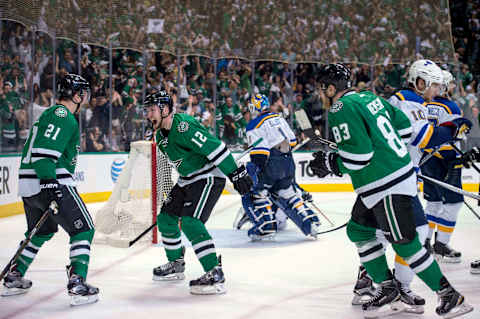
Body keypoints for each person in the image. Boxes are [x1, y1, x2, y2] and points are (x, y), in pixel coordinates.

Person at [308, 63, 473, 318]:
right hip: (390, 178)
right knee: (359, 229)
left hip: (386, 183)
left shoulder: (341, 108)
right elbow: (405, 129)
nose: (321, 95)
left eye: (322, 89)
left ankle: (449, 296)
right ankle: (388, 288)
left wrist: (331, 163)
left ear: (331, 89)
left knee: (405, 242)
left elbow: (359, 157)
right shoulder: (369, 97)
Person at [2, 74, 99, 306]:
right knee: (84, 229)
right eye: (83, 92)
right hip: (50, 181)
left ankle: (15, 274)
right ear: (76, 94)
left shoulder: (51, 114)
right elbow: (44, 154)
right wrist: (49, 184)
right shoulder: (63, 115)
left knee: (41, 231)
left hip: (29, 186)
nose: (85, 97)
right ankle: (77, 282)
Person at [143, 90, 252, 295]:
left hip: (208, 177)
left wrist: (236, 173)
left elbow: (216, 148)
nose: (149, 114)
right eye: (147, 110)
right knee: (166, 219)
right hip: (187, 180)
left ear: (165, 109)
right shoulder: (160, 135)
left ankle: (214, 271)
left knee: (191, 222)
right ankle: (176, 263)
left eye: (152, 109)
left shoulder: (184, 126)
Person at [238, 94, 320, 240]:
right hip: (288, 161)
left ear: (255, 107)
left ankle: (266, 226)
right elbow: (293, 141)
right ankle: (309, 222)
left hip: (271, 164)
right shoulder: (279, 117)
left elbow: (260, 154)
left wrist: (254, 171)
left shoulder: (253, 124)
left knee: (256, 192)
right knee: (288, 193)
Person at [421, 70, 465, 263]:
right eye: (451, 84)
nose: (453, 87)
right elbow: (456, 135)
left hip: (427, 159)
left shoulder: (422, 104)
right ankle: (441, 244)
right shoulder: (451, 106)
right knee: (453, 202)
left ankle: (425, 243)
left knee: (433, 202)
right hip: (448, 159)